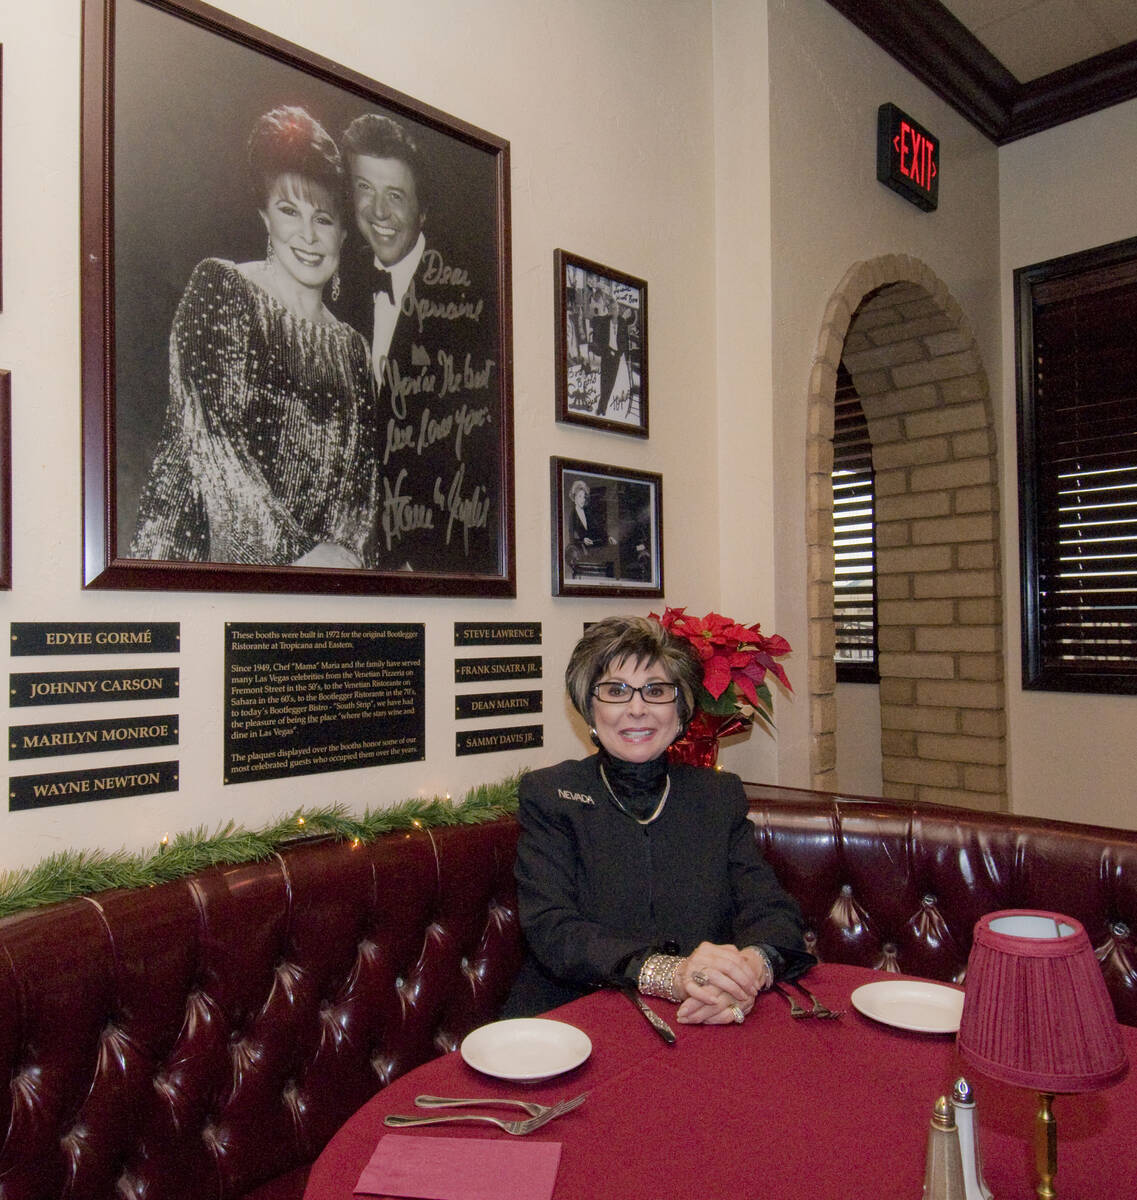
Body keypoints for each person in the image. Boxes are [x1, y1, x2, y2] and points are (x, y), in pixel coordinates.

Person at [504, 615, 813, 1023]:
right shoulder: (550, 794)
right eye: (615, 691)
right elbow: (554, 930)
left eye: (656, 690)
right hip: (575, 1023)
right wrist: (673, 974)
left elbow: (772, 912)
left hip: (702, 1020)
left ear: (681, 709)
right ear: (590, 708)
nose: (637, 709)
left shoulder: (718, 796)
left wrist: (747, 973)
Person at [131, 106, 378, 567]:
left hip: (320, 597)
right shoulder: (222, 288)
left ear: (343, 234)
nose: (307, 235)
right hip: (204, 574)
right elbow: (217, 450)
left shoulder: (353, 350)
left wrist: (346, 564)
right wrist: (302, 561)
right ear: (266, 218)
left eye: (323, 219)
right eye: (289, 211)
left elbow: (360, 499)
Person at [334, 112, 499, 575]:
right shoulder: (335, 283)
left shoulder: (474, 305)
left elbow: (477, 464)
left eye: (395, 196)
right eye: (365, 189)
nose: (379, 212)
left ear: (422, 211)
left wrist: (423, 564)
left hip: (433, 561)